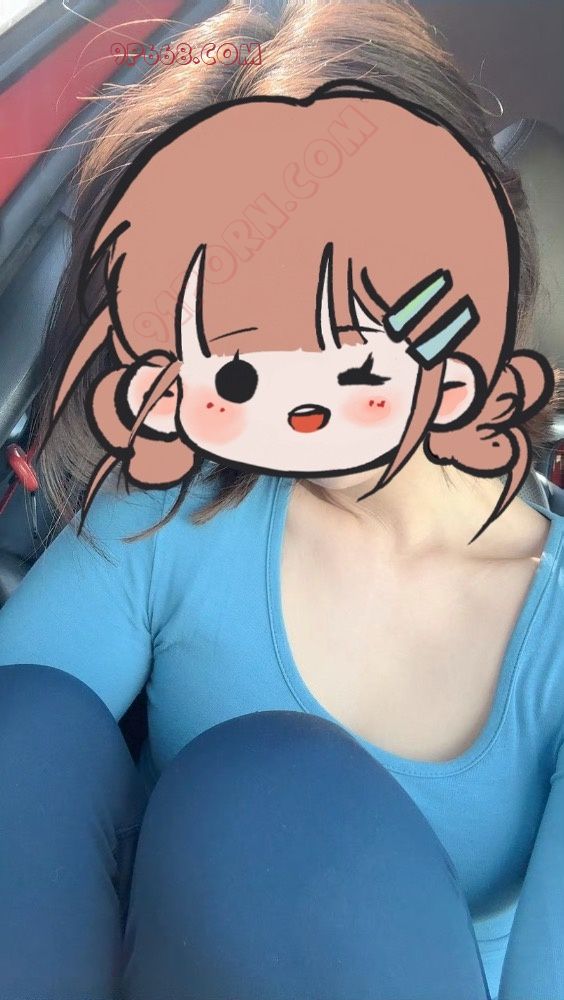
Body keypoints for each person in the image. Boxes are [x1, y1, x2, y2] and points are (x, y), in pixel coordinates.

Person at [0, 2, 562, 999]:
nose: (293, 401)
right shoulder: (176, 512)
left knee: (280, 804)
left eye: (341, 340)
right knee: (30, 722)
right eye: (235, 362)